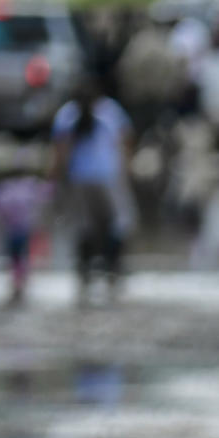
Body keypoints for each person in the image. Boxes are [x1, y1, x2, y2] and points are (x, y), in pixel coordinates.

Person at [50, 79, 135, 302]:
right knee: (117, 222)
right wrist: (126, 169)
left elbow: (60, 154)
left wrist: (56, 182)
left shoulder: (66, 114)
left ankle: (84, 272)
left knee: (83, 225)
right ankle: (113, 269)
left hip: (79, 177)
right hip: (108, 175)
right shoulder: (110, 110)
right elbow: (126, 138)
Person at [0, 167, 54, 306]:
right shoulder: (29, 186)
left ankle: (18, 281)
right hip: (22, 230)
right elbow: (47, 194)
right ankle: (20, 280)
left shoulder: (5, 188)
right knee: (21, 256)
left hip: (14, 231)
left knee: (15, 256)